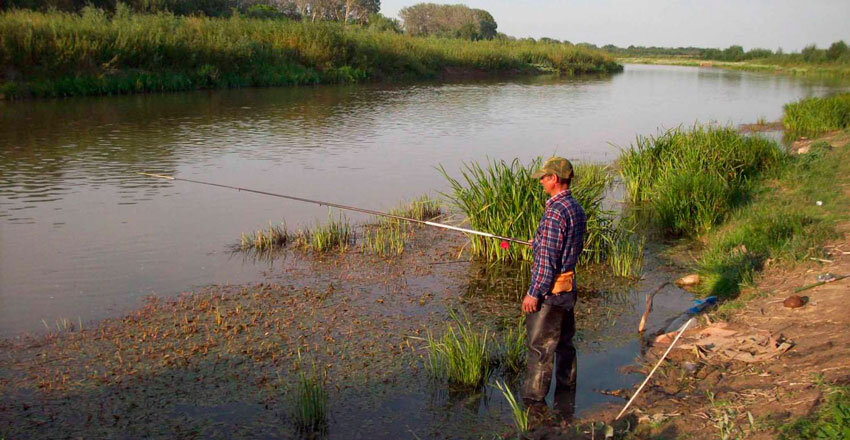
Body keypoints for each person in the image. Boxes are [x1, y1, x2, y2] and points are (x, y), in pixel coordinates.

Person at [521, 157, 587, 415]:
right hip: (568, 288)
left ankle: (533, 405)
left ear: (555, 179)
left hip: (550, 294)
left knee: (539, 349)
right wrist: (538, 241)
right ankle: (567, 396)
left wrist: (533, 293)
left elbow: (547, 262)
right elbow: (566, 246)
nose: (540, 181)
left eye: (544, 177)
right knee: (565, 345)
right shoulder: (575, 207)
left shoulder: (555, 211)